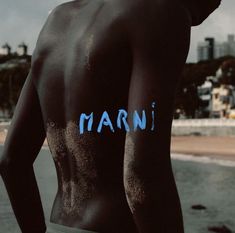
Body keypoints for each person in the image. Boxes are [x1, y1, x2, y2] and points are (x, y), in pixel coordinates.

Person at [0, 0, 221, 232]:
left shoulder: (57, 20)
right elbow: (141, 174)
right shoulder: (162, 10)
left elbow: (12, 161)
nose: (217, 5)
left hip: (59, 225)